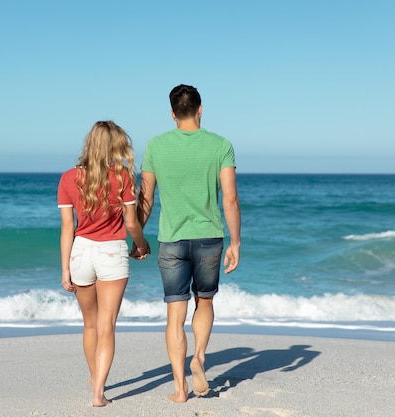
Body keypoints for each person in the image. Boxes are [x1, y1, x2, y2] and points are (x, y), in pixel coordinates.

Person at [136, 84, 241, 402]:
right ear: (200, 109)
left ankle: (180, 389)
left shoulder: (155, 146)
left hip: (171, 240)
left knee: (174, 314)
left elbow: (146, 198)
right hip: (209, 237)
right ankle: (199, 358)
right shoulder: (221, 145)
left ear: (172, 113)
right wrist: (236, 241)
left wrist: (138, 237)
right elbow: (231, 199)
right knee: (205, 302)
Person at [58, 120, 150, 407]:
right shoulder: (122, 177)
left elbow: (67, 229)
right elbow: (132, 223)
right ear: (114, 145)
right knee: (107, 325)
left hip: (80, 253)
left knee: (90, 325)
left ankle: (95, 378)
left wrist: (64, 268)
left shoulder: (68, 178)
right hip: (111, 251)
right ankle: (99, 392)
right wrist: (141, 244)